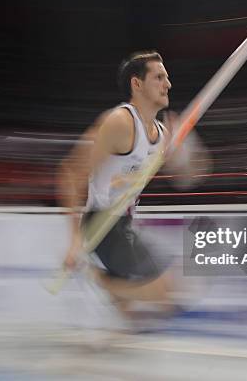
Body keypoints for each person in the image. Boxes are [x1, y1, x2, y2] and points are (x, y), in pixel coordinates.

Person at [57, 50, 207, 317]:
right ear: (137, 84)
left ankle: (114, 293)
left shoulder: (161, 135)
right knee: (172, 294)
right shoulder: (119, 123)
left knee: (131, 316)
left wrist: (187, 149)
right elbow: (69, 173)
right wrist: (74, 240)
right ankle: (98, 279)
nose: (168, 84)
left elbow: (191, 178)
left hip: (124, 224)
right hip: (100, 226)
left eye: (167, 78)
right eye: (159, 77)